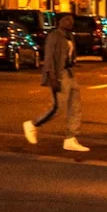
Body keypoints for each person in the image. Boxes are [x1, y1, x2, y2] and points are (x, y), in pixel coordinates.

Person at [25, 12, 89, 152]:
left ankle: (70, 138)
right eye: (66, 20)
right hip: (59, 74)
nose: (70, 22)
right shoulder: (54, 36)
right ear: (59, 22)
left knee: (75, 107)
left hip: (70, 73)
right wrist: (52, 77)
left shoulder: (69, 36)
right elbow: (48, 57)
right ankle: (33, 124)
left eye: (71, 20)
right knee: (58, 107)